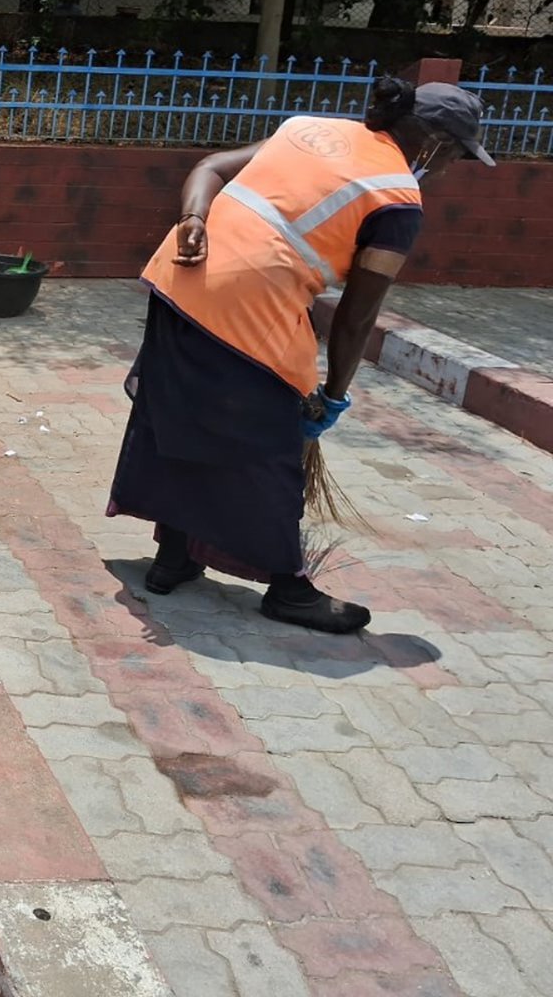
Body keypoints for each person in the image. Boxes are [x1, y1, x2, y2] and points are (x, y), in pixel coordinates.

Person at [108, 78, 496, 633]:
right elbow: (357, 315)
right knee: (269, 453)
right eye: (458, 154)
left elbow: (212, 168)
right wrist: (334, 393)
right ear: (432, 143)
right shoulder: (397, 202)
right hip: (248, 312)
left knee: (178, 419)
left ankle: (175, 558)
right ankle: (288, 588)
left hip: (180, 278)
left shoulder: (309, 129)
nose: (453, 167)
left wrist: (192, 220)